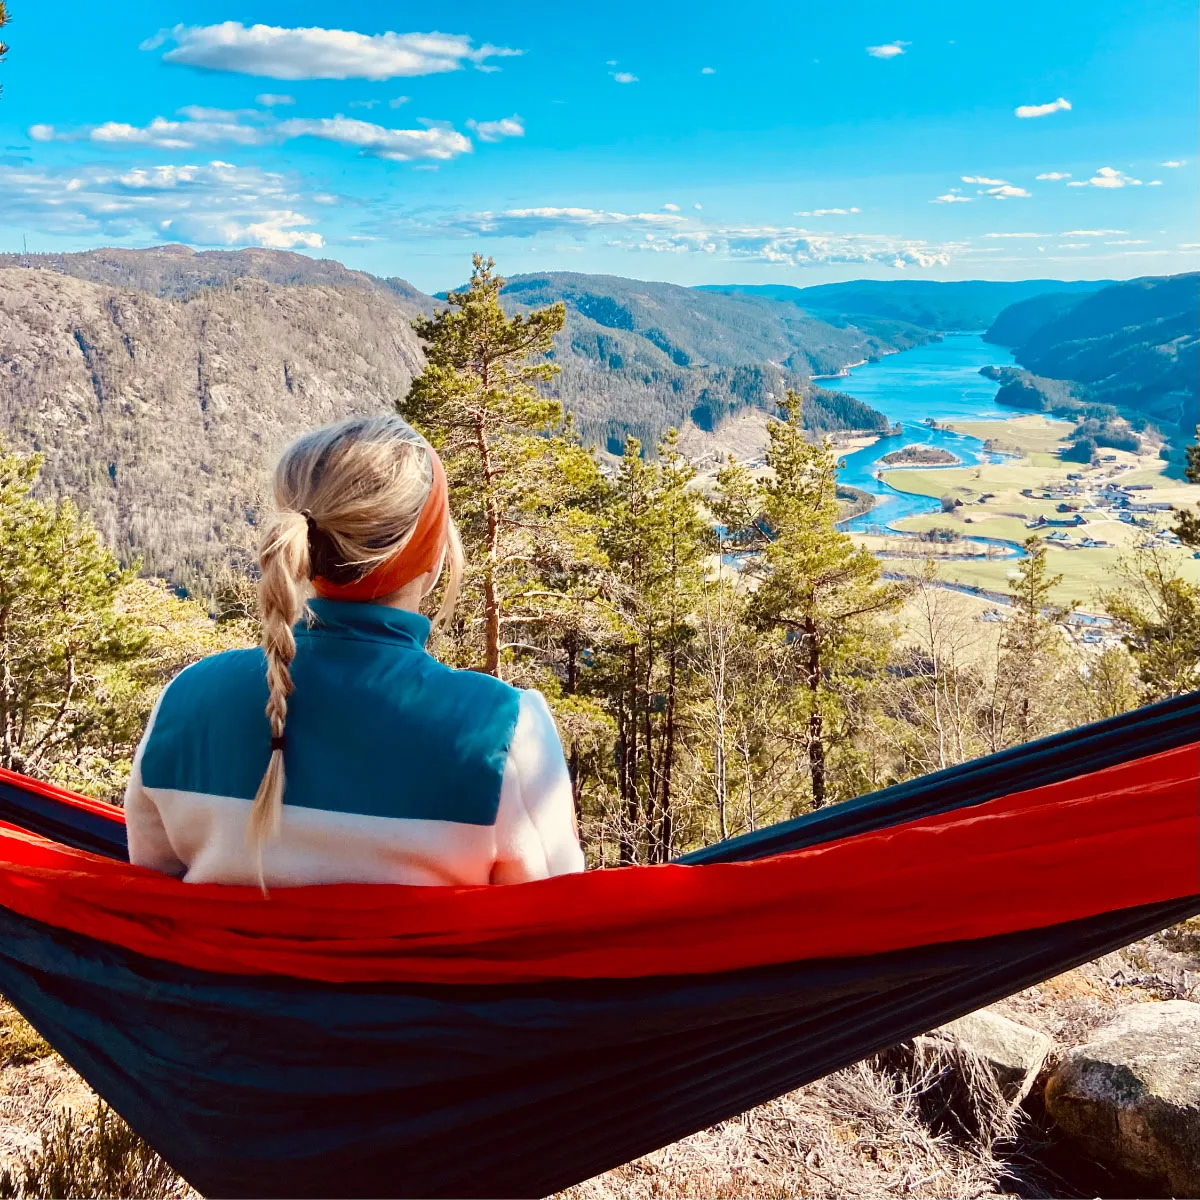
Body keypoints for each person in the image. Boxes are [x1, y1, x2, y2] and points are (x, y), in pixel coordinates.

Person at [125, 414, 585, 887]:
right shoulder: (506, 732)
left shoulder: (185, 700)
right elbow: (550, 927)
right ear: (429, 557)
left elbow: (157, 888)